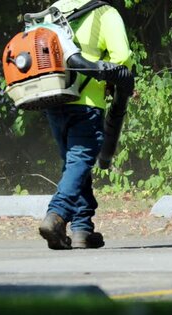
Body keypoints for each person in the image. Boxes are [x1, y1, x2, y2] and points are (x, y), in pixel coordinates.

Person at [38, 0, 133, 250]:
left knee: (75, 165)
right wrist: (122, 81)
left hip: (54, 98)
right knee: (80, 159)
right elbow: (122, 57)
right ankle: (56, 215)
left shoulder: (53, 11)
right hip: (87, 101)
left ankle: (82, 229)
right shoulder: (105, 13)